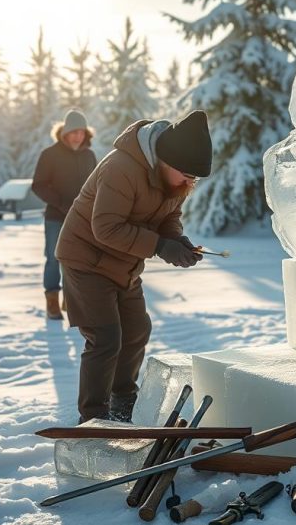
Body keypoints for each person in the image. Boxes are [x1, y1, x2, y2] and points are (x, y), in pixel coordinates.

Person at [55, 110, 212, 423]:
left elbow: (169, 217)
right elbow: (106, 228)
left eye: (193, 178)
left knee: (137, 329)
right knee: (105, 337)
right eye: (186, 175)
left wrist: (176, 242)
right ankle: (94, 416)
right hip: (85, 260)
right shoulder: (122, 168)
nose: (188, 183)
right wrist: (159, 246)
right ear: (166, 160)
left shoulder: (175, 181)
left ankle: (123, 398)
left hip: (123, 263)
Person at [31, 110, 98, 321]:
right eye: (74, 132)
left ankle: (70, 300)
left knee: (76, 259)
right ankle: (52, 302)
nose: (78, 136)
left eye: (82, 132)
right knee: (53, 258)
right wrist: (61, 203)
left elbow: (96, 185)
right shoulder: (50, 155)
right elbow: (38, 185)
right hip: (55, 217)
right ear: (65, 132)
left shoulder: (89, 155)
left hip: (81, 219)